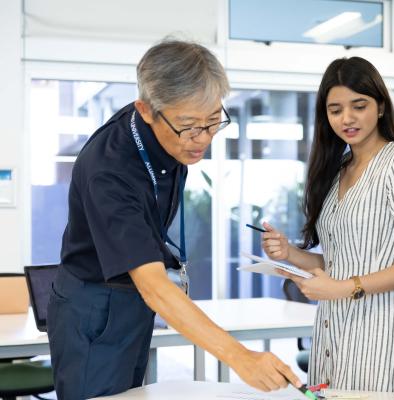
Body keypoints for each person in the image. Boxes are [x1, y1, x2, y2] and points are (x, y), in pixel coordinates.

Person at [47, 39, 300, 400]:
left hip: (134, 300)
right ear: (146, 110)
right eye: (190, 127)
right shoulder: (110, 170)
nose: (203, 139)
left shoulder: (171, 133)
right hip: (94, 306)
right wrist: (241, 358)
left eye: (213, 122)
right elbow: (153, 285)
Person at [260, 56, 394, 393]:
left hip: (385, 326)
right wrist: (291, 254)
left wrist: (343, 288)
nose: (347, 118)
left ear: (381, 107)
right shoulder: (338, 168)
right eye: (335, 109)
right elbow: (344, 261)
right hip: (333, 321)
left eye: (359, 105)